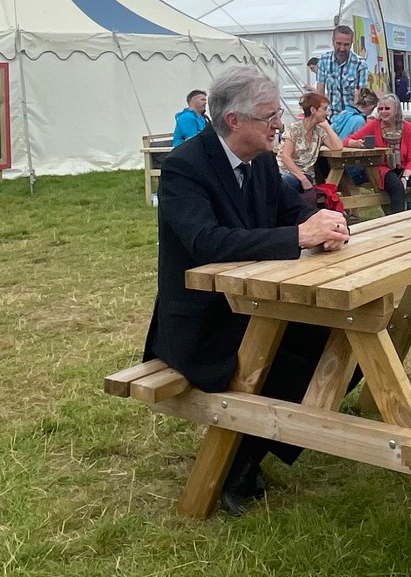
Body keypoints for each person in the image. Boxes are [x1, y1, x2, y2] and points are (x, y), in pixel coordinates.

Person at [143, 65, 351, 516]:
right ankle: (237, 461)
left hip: (256, 306)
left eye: (278, 113)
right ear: (234, 121)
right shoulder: (183, 168)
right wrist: (299, 237)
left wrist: (324, 223)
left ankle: (250, 450)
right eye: (270, 115)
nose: (280, 123)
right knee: (286, 356)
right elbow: (207, 242)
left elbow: (290, 209)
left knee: (345, 343)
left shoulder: (259, 161)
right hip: (205, 323)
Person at [344, 92, 411, 213]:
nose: (383, 112)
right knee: (396, 186)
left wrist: (405, 177)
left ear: (396, 110)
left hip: (404, 167)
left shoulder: (409, 128)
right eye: (380, 109)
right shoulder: (374, 125)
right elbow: (347, 140)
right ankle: (397, 221)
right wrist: (355, 143)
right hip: (382, 168)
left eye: (387, 108)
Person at [277, 93, 342, 194]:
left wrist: (327, 126)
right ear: (313, 110)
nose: (327, 113)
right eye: (324, 109)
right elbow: (286, 157)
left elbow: (338, 147)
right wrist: (302, 179)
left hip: (306, 176)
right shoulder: (295, 129)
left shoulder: (319, 132)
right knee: (286, 181)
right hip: (287, 174)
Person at [316, 25, 369, 117]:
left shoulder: (360, 64)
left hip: (352, 117)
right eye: (339, 44)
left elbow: (361, 96)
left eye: (346, 45)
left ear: (351, 43)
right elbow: (320, 92)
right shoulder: (324, 61)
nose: (342, 49)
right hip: (330, 117)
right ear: (333, 42)